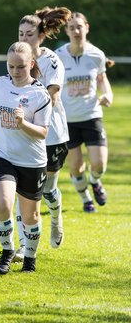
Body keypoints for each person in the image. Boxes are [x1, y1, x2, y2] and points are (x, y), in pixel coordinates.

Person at [0, 41, 52, 274]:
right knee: (2, 205)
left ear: (31, 64)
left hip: (32, 161)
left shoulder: (40, 95)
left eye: (20, 67)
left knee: (30, 216)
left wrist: (23, 123)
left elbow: (43, 133)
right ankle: (7, 250)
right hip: (1, 155)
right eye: (11, 66)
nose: (15, 72)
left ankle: (30, 258)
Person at [13, 6, 71, 261]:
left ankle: (56, 219)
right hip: (24, 134)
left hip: (52, 135)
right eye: (20, 34)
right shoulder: (17, 58)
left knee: (47, 191)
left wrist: (29, 106)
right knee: (22, 190)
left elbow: (54, 96)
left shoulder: (51, 61)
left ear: (41, 35)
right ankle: (24, 245)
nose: (23, 39)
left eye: (28, 34)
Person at [55, 11, 113, 212]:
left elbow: (101, 79)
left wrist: (108, 94)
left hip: (92, 116)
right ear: (67, 31)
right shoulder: (59, 56)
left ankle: (95, 182)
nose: (76, 30)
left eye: (79, 26)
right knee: (75, 167)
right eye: (72, 27)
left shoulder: (97, 55)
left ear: (87, 28)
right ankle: (86, 199)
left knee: (99, 164)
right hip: (68, 120)